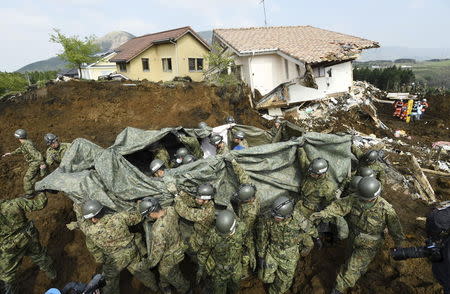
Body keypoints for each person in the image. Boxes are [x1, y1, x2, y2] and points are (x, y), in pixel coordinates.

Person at [310, 177, 405, 294]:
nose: (363, 201)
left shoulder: (386, 210)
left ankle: (338, 290)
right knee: (349, 259)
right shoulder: (354, 199)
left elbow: (396, 230)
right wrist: (324, 213)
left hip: (369, 244)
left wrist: (399, 245)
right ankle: (361, 270)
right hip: (353, 237)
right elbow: (339, 207)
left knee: (349, 270)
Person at [76, 200, 158, 294]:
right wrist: (139, 204)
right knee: (142, 271)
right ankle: (156, 288)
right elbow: (138, 216)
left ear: (93, 219)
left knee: (110, 282)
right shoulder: (119, 217)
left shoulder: (91, 231)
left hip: (115, 260)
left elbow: (82, 224)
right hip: (131, 251)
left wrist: (78, 209)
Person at [257, 196, 318, 294]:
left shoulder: (298, 219)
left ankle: (274, 291)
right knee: (264, 277)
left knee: (283, 283)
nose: (275, 218)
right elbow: (262, 237)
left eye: (278, 217)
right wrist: (261, 255)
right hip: (273, 251)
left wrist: (317, 238)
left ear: (287, 215)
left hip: (290, 255)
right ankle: (272, 281)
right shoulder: (268, 217)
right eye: (274, 215)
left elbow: (310, 229)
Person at [0, 192, 56, 294]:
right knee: (39, 256)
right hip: (29, 237)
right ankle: (53, 275)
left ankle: (9, 291)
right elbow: (39, 204)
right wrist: (42, 192)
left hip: (10, 248)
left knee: (7, 274)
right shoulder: (15, 203)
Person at [139, 197, 190, 294]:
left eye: (148, 215)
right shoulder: (171, 210)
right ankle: (164, 285)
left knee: (170, 274)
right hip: (179, 247)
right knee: (167, 269)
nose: (148, 217)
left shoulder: (157, 229)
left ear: (152, 213)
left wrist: (147, 264)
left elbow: (157, 254)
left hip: (169, 256)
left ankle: (186, 289)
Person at [198, 210, 248, 294]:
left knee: (235, 289)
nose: (227, 236)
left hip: (236, 268)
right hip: (219, 272)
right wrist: (200, 268)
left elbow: (246, 245)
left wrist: (245, 266)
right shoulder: (213, 235)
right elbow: (204, 251)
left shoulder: (242, 228)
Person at [174, 183, 215, 256]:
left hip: (201, 237)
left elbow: (185, 212)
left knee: (192, 249)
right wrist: (180, 192)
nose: (196, 199)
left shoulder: (206, 213)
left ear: (205, 200)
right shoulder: (208, 203)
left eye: (198, 198)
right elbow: (192, 201)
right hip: (198, 229)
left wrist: (176, 196)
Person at [2, 129, 45, 196]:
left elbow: (36, 154)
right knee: (34, 178)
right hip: (34, 162)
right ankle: (36, 189)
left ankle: (29, 194)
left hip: (35, 163)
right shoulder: (26, 142)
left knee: (26, 179)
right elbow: (21, 149)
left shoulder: (27, 145)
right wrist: (11, 153)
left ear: (18, 137)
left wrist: (42, 164)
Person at [235, 184, 260, 277]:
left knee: (246, 251)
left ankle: (246, 271)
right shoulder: (252, 195)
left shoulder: (250, 214)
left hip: (248, 232)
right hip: (247, 226)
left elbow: (245, 229)